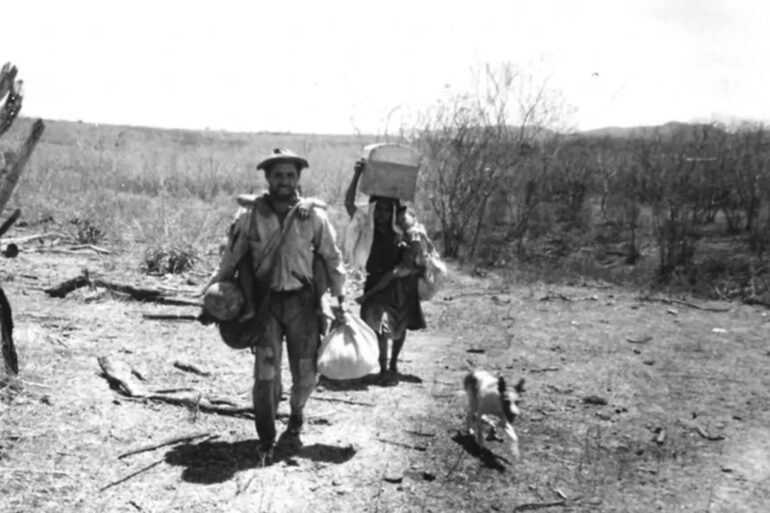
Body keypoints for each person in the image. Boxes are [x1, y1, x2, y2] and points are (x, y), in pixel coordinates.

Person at [207, 148, 346, 463]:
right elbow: (231, 258)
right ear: (268, 178)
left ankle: (296, 413)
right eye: (278, 175)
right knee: (266, 374)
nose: (284, 180)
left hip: (303, 304)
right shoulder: (249, 216)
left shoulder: (314, 217)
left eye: (290, 175)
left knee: (306, 374)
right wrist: (212, 296)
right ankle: (267, 438)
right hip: (265, 305)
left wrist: (340, 300)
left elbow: (332, 257)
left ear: (298, 178)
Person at [344, 158, 426, 384]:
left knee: (399, 325)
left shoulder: (401, 228)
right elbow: (349, 203)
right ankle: (383, 368)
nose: (381, 214)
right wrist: (357, 175)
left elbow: (415, 251)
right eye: (378, 209)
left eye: (386, 210)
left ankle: (393, 365)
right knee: (378, 326)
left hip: (399, 283)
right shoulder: (366, 225)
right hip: (376, 281)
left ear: (393, 211)